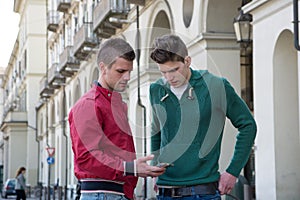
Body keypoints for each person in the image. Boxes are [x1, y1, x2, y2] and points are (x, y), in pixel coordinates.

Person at [149, 34, 257, 199]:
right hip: (165, 191)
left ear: (187, 61)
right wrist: (154, 167)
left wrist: (233, 172)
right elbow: (156, 129)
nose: (169, 78)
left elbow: (248, 125)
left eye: (174, 70)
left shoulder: (216, 86)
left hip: (202, 191)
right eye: (163, 72)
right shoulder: (156, 89)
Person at [69, 38, 165, 200]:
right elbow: (87, 158)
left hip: (117, 192)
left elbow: (118, 152)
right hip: (101, 194)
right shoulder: (89, 105)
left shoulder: (117, 105)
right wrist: (131, 168)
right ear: (103, 68)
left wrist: (130, 186)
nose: (127, 77)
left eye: (129, 71)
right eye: (121, 71)